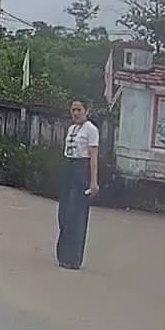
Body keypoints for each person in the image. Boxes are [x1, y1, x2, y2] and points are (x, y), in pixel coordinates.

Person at [57, 99, 100, 270]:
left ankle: (73, 258)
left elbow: (93, 157)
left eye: (79, 110)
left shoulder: (91, 130)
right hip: (69, 166)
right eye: (73, 109)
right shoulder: (72, 128)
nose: (75, 113)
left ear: (86, 111)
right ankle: (63, 254)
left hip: (82, 168)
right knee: (63, 212)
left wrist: (93, 181)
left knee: (76, 214)